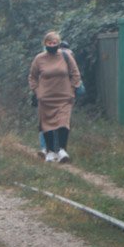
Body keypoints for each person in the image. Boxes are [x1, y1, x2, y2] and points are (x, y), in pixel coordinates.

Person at [29, 30, 82, 163]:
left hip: (64, 97)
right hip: (45, 98)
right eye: (49, 43)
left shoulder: (65, 56)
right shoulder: (39, 58)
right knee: (47, 125)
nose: (52, 45)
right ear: (45, 43)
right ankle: (50, 151)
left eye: (54, 43)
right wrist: (37, 92)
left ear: (58, 43)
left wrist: (73, 89)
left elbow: (75, 73)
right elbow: (32, 77)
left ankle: (62, 151)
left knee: (63, 123)